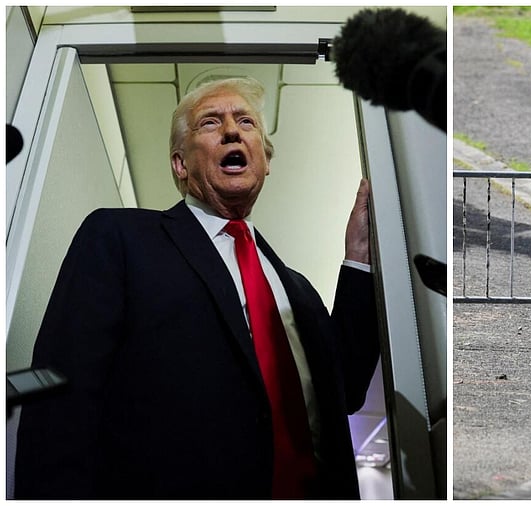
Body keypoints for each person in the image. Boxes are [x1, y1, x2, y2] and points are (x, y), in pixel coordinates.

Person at [14, 77, 380, 499]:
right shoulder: (119, 238)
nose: (232, 130)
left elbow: (346, 391)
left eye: (247, 122)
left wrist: (358, 259)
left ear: (265, 160)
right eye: (210, 122)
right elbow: (63, 396)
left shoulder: (297, 289)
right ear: (180, 165)